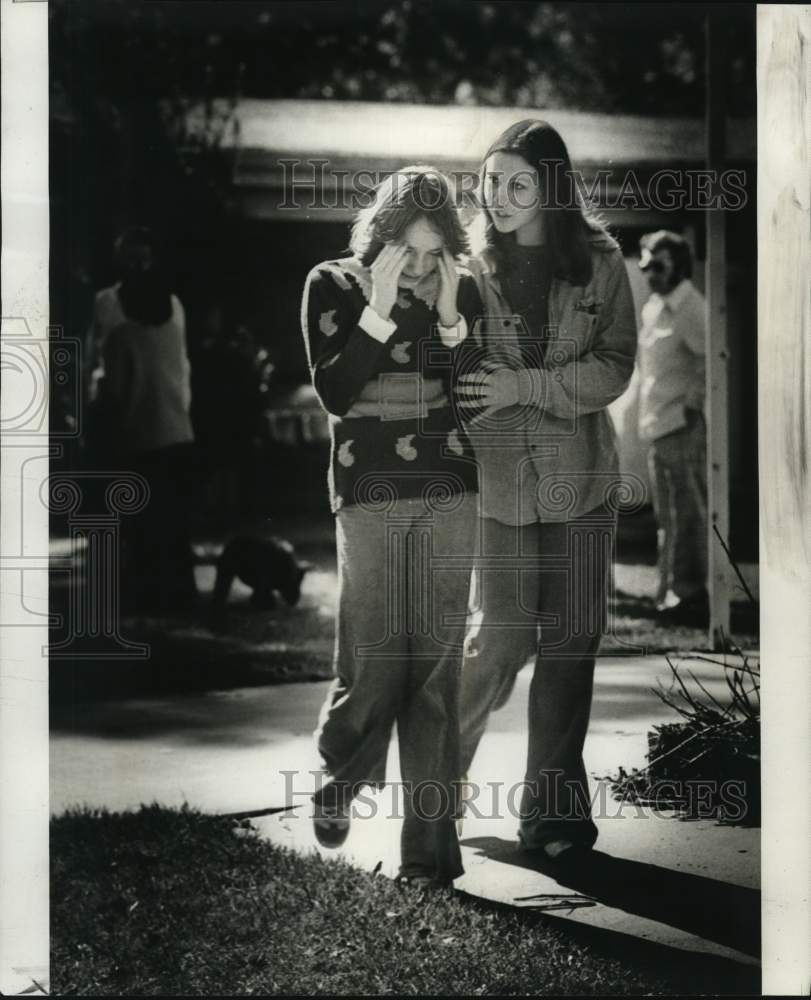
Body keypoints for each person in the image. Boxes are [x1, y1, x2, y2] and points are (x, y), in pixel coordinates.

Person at [454, 120, 637, 858]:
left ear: (550, 188)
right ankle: (431, 792)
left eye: (517, 183)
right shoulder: (466, 267)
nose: (498, 197)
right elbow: (455, 372)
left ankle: (553, 818)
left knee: (569, 644)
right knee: (499, 641)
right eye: (490, 180)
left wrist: (526, 384)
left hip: (582, 484)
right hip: (498, 486)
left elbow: (616, 363)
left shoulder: (599, 259)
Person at [300, 166, 482, 890]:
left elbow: (473, 393)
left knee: (436, 674)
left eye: (434, 252)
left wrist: (445, 318)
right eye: (408, 251)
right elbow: (338, 393)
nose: (419, 267)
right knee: (375, 659)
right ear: (379, 239)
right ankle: (339, 775)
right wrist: (378, 310)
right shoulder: (331, 284)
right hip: (368, 490)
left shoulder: (459, 292)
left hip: (448, 488)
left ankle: (428, 861)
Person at [94, 226, 198, 613]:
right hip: (176, 427)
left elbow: (107, 381)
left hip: (135, 431)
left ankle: (144, 596)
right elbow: (182, 371)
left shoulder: (110, 309)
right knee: (173, 521)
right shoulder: (173, 306)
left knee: (139, 523)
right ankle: (178, 595)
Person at [637, 230, 708, 620]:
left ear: (679, 266)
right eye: (646, 265)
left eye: (658, 266)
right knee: (667, 516)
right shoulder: (653, 307)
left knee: (689, 513)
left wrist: (693, 408)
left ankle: (689, 592)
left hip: (680, 425)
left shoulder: (692, 308)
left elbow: (708, 360)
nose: (650, 273)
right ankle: (669, 591)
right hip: (657, 425)